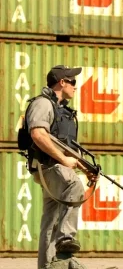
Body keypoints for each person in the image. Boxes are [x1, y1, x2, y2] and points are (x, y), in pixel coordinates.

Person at [25, 65, 89, 269]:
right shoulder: (43, 103)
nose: (75, 87)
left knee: (50, 220)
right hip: (49, 167)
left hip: (54, 167)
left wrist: (86, 168)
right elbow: (38, 134)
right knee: (75, 186)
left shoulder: (61, 110)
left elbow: (64, 145)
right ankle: (65, 242)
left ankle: (47, 266)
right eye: (73, 82)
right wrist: (63, 160)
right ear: (62, 82)